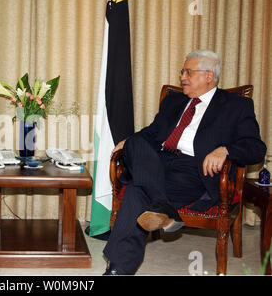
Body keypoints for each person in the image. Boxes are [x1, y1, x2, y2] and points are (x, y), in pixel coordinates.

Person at [103, 50, 266, 275]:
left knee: (135, 192)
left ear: (209, 76)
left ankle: (118, 269)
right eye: (182, 72)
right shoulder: (174, 101)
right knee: (135, 141)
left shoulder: (236, 106)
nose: (182, 77)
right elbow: (152, 133)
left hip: (194, 171)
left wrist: (225, 149)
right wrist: (128, 142)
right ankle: (163, 206)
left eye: (188, 72)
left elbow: (256, 148)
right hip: (157, 163)